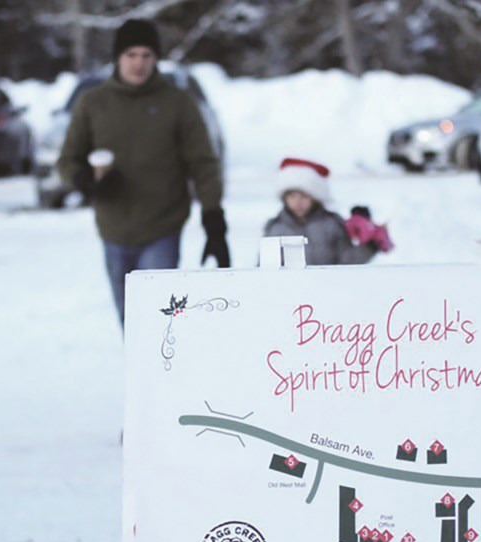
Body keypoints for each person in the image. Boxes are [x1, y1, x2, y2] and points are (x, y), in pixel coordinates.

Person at [57, 18, 228, 326]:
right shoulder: (93, 103)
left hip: (162, 228)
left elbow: (202, 162)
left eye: (147, 55)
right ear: (118, 58)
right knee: (131, 323)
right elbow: (68, 160)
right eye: (131, 55)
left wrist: (213, 215)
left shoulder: (177, 102)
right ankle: (141, 375)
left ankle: (164, 374)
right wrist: (86, 181)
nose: (139, 63)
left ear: (156, 59)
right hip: (113, 229)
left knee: (159, 321)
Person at [263, 157, 376, 265]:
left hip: (329, 284)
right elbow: (265, 266)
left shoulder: (332, 224)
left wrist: (370, 244)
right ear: (285, 198)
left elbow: (348, 261)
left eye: (304, 196)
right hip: (289, 285)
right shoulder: (275, 228)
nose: (298, 201)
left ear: (314, 198)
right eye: (292, 196)